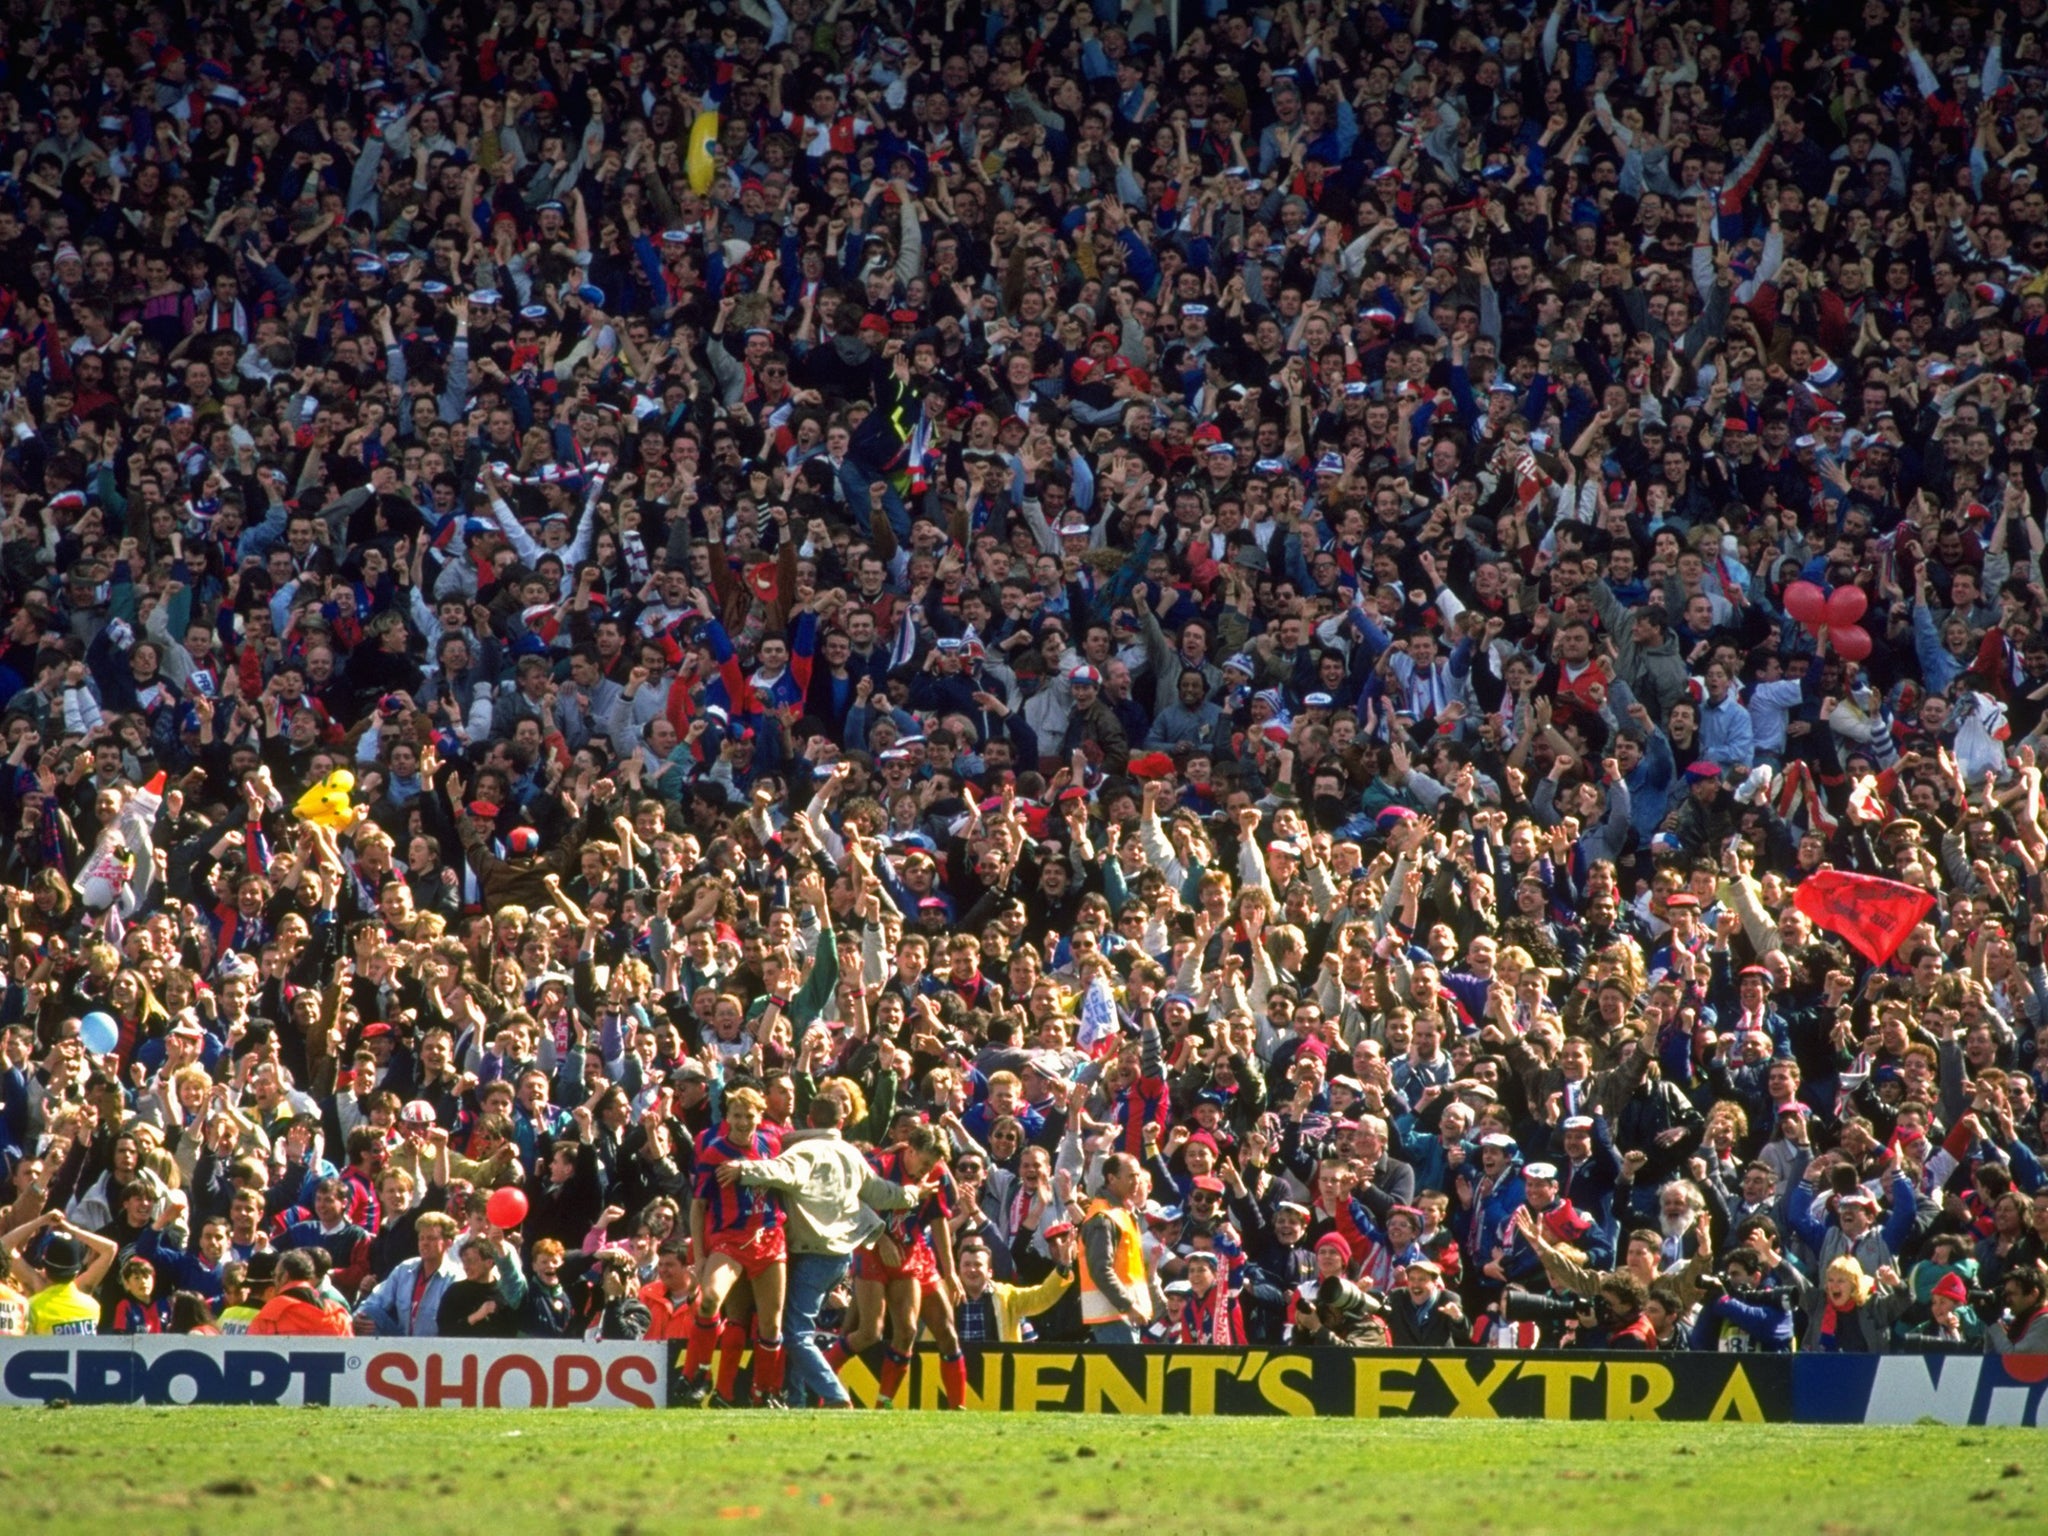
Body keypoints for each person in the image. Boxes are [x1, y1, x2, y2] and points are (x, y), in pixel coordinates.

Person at [725, 1094, 923, 1407]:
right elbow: (882, 1194)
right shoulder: (850, 1153)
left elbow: (778, 1172)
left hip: (812, 1254)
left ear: (810, 1120)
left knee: (794, 1334)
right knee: (790, 1331)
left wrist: (741, 1169)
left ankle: (835, 1396)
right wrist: (912, 1194)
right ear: (841, 1122)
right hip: (841, 1258)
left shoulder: (805, 1151)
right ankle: (797, 1399)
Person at [679, 1086, 787, 1406]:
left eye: (749, 1115)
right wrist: (700, 1257)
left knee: (771, 1324)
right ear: (726, 1117)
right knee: (709, 1299)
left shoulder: (773, 1144)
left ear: (760, 1116)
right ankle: (699, 1372)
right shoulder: (714, 1153)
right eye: (736, 1115)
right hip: (729, 1241)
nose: (742, 1122)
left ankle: (764, 1392)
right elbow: (698, 1206)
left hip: (770, 1239)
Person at [1079, 1154, 1155, 1345]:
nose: (1136, 1182)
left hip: (1121, 1315)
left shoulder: (1121, 1213)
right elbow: (1100, 1269)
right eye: (1130, 1176)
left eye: (1138, 1176)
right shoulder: (1104, 1218)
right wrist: (1128, 1305)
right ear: (1111, 1178)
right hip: (1113, 1316)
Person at [3, 1212, 117, 1336]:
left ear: (44, 1267)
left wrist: (41, 1221)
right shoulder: (85, 1293)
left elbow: (3, 1246)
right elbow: (110, 1248)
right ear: (77, 1270)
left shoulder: (35, 1294)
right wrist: (71, 1230)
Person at [352, 1213, 463, 1338]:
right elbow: (376, 1300)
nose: (424, 1243)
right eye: (421, 1238)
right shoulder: (405, 1269)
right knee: (368, 1313)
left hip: (436, 1348)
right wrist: (357, 1317)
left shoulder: (456, 1278)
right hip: (402, 1344)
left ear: (448, 1243)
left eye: (431, 1238)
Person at [249, 1249, 353, 1336]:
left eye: (275, 1275)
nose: (274, 1281)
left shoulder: (269, 1315)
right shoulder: (337, 1314)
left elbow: (254, 1355)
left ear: (285, 1276)